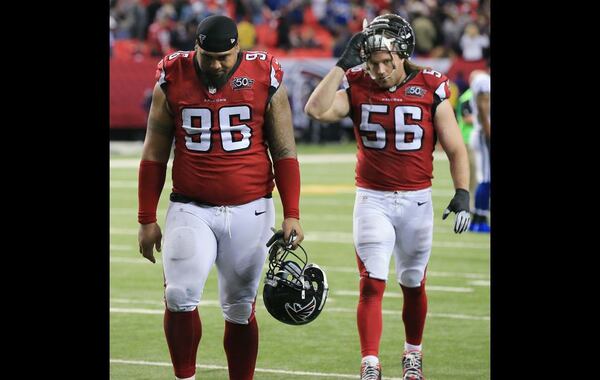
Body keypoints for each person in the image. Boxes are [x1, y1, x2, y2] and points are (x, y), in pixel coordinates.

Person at [137, 14, 304, 380]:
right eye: (206, 56)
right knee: (180, 296)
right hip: (190, 207)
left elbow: (285, 150)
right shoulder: (173, 74)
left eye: (222, 58)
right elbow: (154, 153)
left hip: (251, 209)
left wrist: (292, 212)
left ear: (237, 50)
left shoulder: (265, 75)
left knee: (240, 308)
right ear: (195, 47)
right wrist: (146, 219)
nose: (214, 65)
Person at [304, 14, 471, 380]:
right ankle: (370, 364)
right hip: (373, 200)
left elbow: (456, 148)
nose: (378, 70)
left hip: (417, 201)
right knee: (371, 283)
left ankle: (413, 355)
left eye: (385, 61)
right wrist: (341, 66)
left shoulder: (431, 85)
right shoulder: (356, 81)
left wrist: (462, 192)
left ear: (403, 52)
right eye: (372, 61)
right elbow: (315, 110)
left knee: (413, 283)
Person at [467, 69, 491, 232]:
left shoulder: (483, 80)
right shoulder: (484, 80)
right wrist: (488, 131)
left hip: (482, 132)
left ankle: (477, 219)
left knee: (485, 178)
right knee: (486, 178)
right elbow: (482, 106)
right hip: (483, 133)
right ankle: (479, 220)